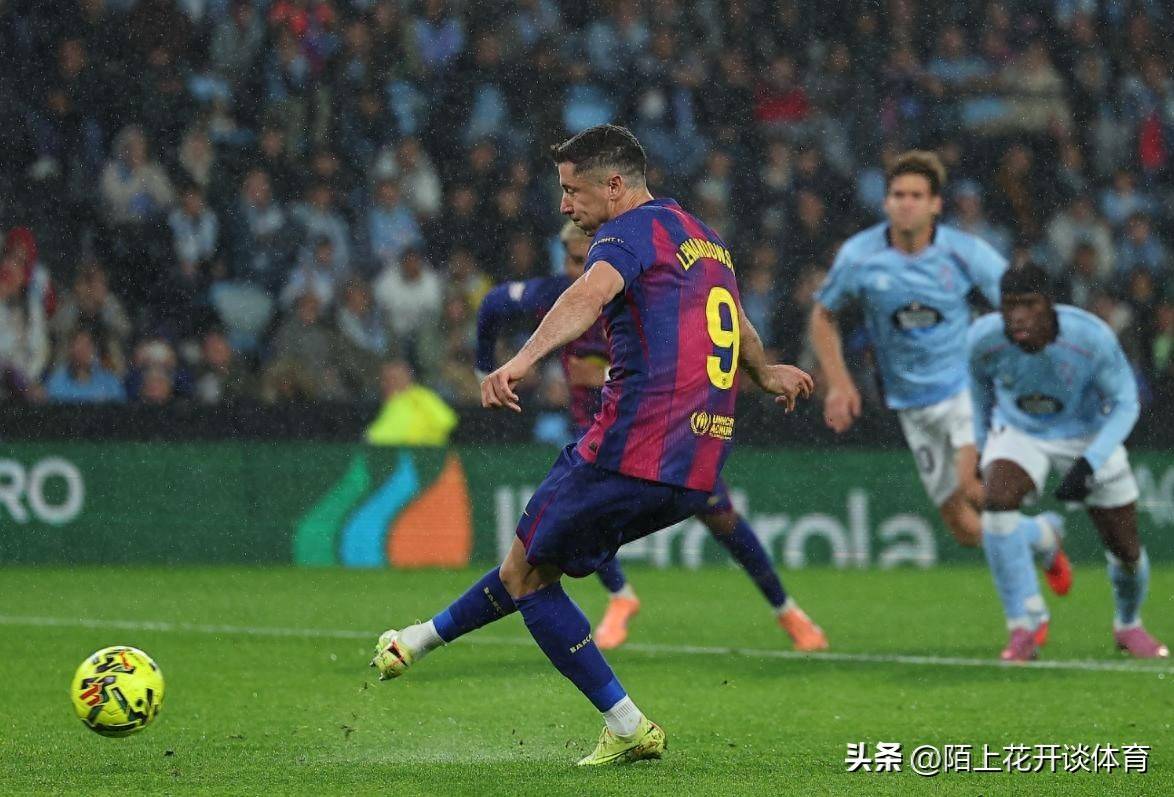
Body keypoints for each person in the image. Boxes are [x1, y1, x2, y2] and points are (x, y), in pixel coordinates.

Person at [371, 124, 812, 765]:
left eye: (571, 190)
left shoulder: (625, 233)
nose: (564, 205)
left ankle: (626, 724)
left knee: (526, 576)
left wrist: (520, 360)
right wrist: (765, 373)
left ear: (614, 185)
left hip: (630, 447)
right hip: (699, 464)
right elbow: (739, 325)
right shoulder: (704, 238)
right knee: (530, 568)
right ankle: (415, 641)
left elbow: (589, 292)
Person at [476, 219, 827, 652]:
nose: (575, 270)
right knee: (572, 519)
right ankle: (620, 596)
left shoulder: (650, 292)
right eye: (569, 259)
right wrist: (483, 368)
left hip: (666, 433)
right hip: (599, 434)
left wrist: (603, 374)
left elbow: (678, 358)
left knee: (721, 518)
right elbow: (493, 304)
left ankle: (786, 609)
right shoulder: (559, 296)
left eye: (583, 260)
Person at [808, 151, 1069, 597]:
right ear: (886, 202)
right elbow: (822, 315)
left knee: (973, 487)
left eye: (916, 195)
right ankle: (1043, 535)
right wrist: (839, 383)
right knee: (964, 528)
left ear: (935, 205)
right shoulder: (860, 257)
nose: (905, 203)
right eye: (897, 195)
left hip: (965, 390)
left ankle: (1026, 612)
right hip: (911, 404)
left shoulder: (965, 253)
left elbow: (1019, 303)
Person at [968, 264, 1168, 662]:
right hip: (1021, 429)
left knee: (1126, 550)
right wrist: (981, 447)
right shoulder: (983, 339)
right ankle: (1023, 626)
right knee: (996, 501)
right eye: (1009, 306)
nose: (1018, 316)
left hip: (1088, 435)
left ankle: (1128, 625)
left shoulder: (1090, 338)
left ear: (1049, 305)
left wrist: (1090, 462)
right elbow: (978, 391)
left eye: (1028, 305)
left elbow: (1126, 402)